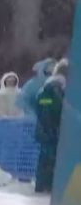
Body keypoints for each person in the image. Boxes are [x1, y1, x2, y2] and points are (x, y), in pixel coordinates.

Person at [34, 58, 68, 193]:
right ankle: (47, 187)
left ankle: (43, 186)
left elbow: (40, 110)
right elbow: (56, 111)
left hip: (45, 132)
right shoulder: (57, 91)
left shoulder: (44, 90)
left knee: (45, 160)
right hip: (53, 132)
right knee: (51, 160)